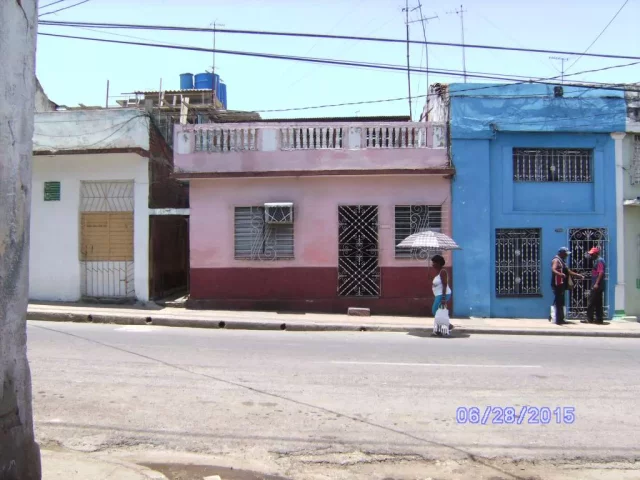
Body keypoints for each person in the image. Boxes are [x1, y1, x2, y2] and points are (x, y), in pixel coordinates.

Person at [550, 247, 584, 325]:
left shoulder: (562, 261)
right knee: (559, 302)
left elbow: (568, 271)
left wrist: (578, 275)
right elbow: (553, 269)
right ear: (561, 253)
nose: (566, 255)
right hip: (557, 284)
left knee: (561, 302)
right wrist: (560, 274)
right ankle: (559, 320)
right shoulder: (556, 260)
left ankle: (561, 318)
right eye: (565, 254)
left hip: (561, 284)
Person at [431, 255, 453, 331]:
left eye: (434, 262)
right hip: (439, 295)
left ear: (439, 263)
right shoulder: (438, 272)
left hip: (443, 295)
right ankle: (439, 330)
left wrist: (443, 298)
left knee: (435, 311)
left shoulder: (442, 272)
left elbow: (445, 284)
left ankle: (447, 325)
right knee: (438, 312)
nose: (432, 264)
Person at [585, 247, 606, 324]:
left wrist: (596, 283)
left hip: (597, 285)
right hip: (599, 285)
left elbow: (600, 272)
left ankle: (589, 319)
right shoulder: (598, 260)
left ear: (596, 254)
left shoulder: (599, 261)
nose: (591, 255)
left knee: (591, 301)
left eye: (592, 254)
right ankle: (599, 319)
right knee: (598, 303)